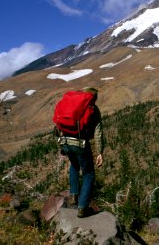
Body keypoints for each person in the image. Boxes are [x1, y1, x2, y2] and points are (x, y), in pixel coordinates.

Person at [59, 87, 104, 218]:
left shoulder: (73, 105)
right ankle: (82, 208)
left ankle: (73, 196)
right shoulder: (93, 109)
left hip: (65, 141)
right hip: (80, 144)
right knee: (89, 174)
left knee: (74, 165)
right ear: (94, 98)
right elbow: (98, 132)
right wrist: (99, 152)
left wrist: (63, 145)